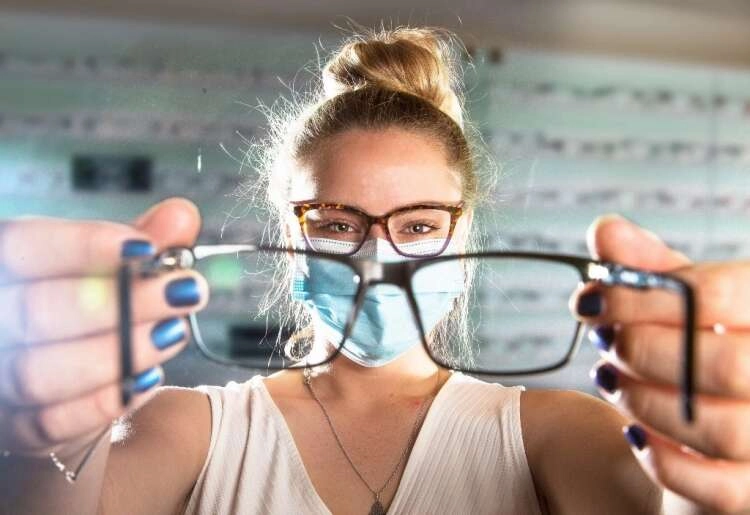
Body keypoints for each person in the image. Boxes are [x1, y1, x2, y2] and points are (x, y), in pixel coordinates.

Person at [1, 26, 749, 515]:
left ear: (462, 237)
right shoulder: (190, 428)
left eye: (418, 226)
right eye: (336, 224)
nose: (376, 258)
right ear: (290, 236)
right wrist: (42, 442)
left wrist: (713, 479)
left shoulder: (559, 434)